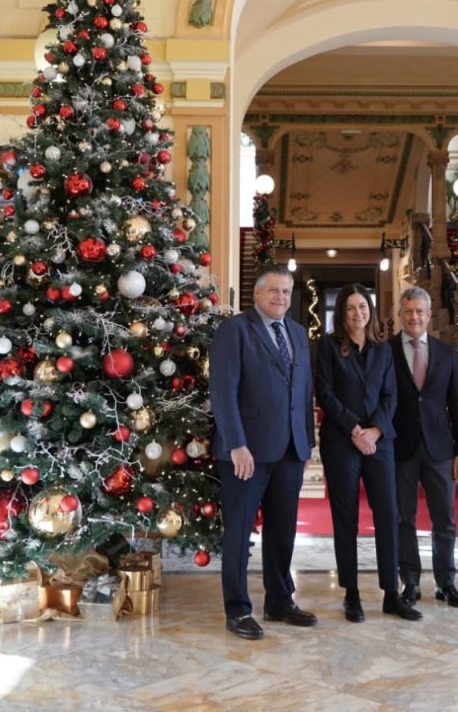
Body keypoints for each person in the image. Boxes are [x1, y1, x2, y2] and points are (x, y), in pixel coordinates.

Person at [209, 265, 317, 640]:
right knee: (239, 531)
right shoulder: (234, 330)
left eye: (286, 292)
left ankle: (280, 601)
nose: (281, 298)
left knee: (282, 530)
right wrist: (236, 444)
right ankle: (237, 610)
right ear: (256, 294)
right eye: (273, 291)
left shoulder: (299, 334)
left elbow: (303, 392)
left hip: (290, 450)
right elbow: (223, 391)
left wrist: (307, 444)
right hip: (246, 453)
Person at [314, 283, 422, 623]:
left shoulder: (383, 349)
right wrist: (354, 429)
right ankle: (352, 593)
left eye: (363, 306)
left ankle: (392, 593)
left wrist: (374, 430)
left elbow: (391, 395)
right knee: (345, 517)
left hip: (379, 441)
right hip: (341, 440)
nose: (357, 313)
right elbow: (325, 394)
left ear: (370, 310)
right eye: (350, 308)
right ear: (341, 313)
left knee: (388, 513)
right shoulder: (328, 347)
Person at [389, 286, 458, 608]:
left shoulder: (446, 353)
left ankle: (446, 582)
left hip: (439, 449)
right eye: (408, 311)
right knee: (403, 519)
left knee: (445, 520)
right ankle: (409, 582)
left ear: (428, 315)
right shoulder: (387, 352)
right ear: (400, 314)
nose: (413, 317)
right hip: (400, 448)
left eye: (419, 312)